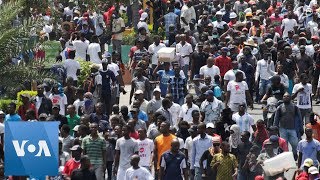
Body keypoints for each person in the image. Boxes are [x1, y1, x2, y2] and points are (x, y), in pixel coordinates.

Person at [274, 92, 302, 159]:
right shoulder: (279, 107)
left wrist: (301, 128)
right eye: (284, 96)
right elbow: (276, 118)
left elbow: (300, 118)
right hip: (282, 129)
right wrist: (275, 128)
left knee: (295, 144)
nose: (286, 98)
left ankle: (295, 153)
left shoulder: (295, 107)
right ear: (282, 98)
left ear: (290, 98)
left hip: (293, 129)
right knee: (284, 144)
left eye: (287, 96)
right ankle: (286, 157)